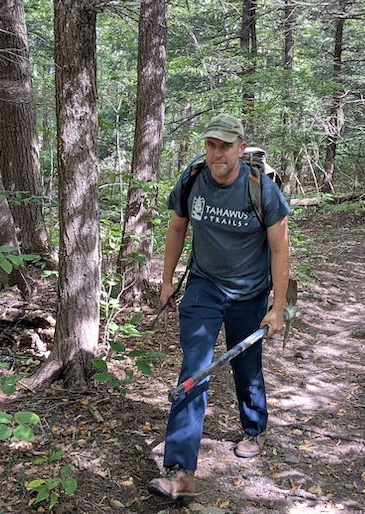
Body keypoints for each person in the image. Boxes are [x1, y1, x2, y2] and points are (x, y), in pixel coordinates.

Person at [148, 113, 291, 504]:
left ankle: (255, 427)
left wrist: (277, 308)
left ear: (241, 148)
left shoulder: (260, 188)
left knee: (246, 365)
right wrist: (166, 281)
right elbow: (177, 227)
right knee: (195, 367)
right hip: (204, 286)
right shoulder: (193, 179)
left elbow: (280, 248)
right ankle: (180, 471)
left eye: (225, 146)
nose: (216, 153)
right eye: (211, 145)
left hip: (249, 292)